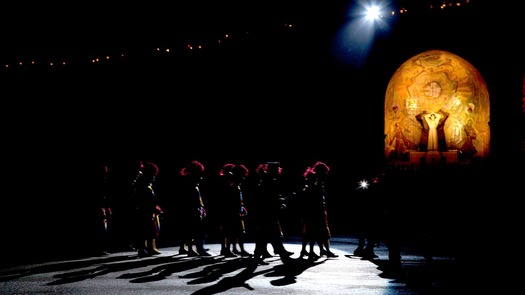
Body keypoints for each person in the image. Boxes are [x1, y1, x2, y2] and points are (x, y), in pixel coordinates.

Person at [251, 162, 293, 265]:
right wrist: (283, 201)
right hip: (268, 213)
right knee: (272, 236)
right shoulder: (270, 181)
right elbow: (271, 198)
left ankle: (259, 257)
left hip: (265, 213)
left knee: (265, 237)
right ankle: (284, 257)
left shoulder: (265, 179)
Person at [298, 161, 338, 260]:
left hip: (313, 209)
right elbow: (315, 196)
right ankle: (314, 251)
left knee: (310, 232)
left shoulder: (314, 179)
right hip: (315, 210)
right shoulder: (316, 180)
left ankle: (311, 250)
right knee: (316, 231)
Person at [216, 163, 251, 257]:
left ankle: (231, 249)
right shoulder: (230, 185)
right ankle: (228, 250)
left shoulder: (234, 185)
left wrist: (241, 206)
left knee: (235, 231)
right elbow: (229, 199)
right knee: (232, 231)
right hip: (230, 212)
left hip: (233, 211)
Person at [177, 160, 211, 256]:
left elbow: (198, 196)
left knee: (190, 229)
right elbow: (192, 197)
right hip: (190, 209)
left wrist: (201, 207)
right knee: (193, 230)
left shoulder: (192, 181)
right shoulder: (190, 181)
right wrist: (197, 208)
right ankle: (194, 249)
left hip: (193, 208)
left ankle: (188, 248)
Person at [132, 161, 163, 257]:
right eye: (152, 175)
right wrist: (153, 208)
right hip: (144, 211)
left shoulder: (147, 186)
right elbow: (144, 200)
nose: (154, 177)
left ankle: (151, 248)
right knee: (144, 230)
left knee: (151, 231)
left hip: (148, 211)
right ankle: (142, 248)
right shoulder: (143, 187)